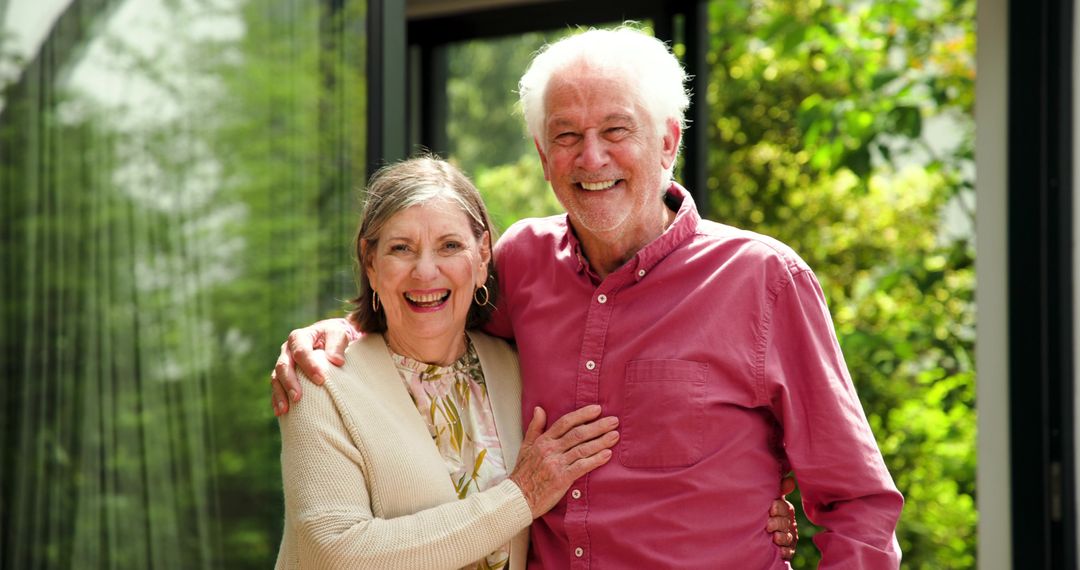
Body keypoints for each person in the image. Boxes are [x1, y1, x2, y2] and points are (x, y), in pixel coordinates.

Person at [276, 25, 900, 567]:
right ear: (543, 154)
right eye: (567, 135)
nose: (591, 157)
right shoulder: (522, 262)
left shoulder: (763, 279)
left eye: (616, 129)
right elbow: (432, 312)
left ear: (668, 141)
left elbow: (858, 502)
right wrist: (342, 332)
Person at [275, 157, 623, 569]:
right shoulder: (321, 382)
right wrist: (522, 497)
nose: (425, 271)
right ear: (371, 263)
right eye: (401, 248)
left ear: (482, 256)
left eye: (450, 246)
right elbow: (338, 553)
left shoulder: (516, 368)